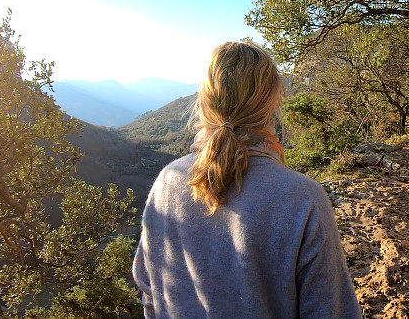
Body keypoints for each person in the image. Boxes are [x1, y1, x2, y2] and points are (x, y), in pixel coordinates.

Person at [132, 41, 362, 318]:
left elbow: (150, 294)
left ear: (204, 100)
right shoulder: (303, 198)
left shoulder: (168, 182)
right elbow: (330, 312)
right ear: (272, 102)